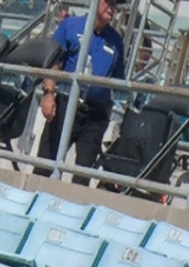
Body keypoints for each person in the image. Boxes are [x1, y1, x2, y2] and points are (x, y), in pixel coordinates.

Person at [38, 0, 124, 169]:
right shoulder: (71, 26)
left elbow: (118, 79)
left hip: (96, 114)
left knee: (83, 173)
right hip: (65, 104)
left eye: (115, 5)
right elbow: (53, 62)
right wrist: (48, 94)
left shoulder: (116, 41)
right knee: (45, 164)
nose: (112, 8)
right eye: (109, 2)